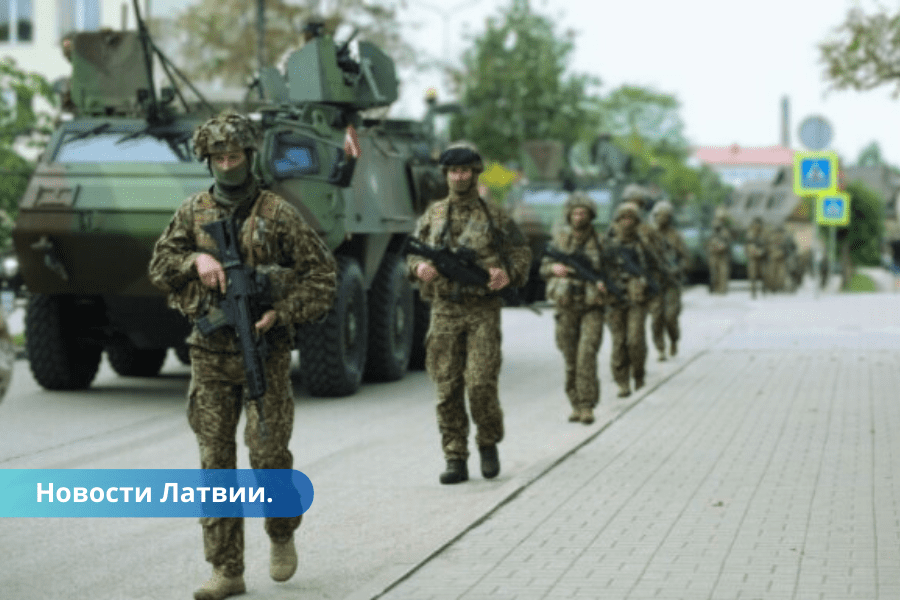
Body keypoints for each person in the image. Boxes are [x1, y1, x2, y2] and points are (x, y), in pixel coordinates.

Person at [148, 110, 336, 600]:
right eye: (219, 158)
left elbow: (322, 277)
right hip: (209, 354)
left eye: (235, 156)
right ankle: (227, 570)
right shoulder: (193, 212)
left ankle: (280, 530)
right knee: (215, 467)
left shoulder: (278, 213)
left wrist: (283, 311)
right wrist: (197, 259)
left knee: (268, 456)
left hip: (265, 353)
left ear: (250, 157)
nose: (227, 165)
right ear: (207, 160)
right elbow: (160, 265)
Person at [407, 142, 531, 485]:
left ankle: (488, 441)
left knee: (479, 384)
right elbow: (411, 254)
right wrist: (418, 269)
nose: (458, 177)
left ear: (475, 174)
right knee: (446, 388)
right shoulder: (433, 216)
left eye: (464, 171)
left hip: (482, 311)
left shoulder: (495, 217)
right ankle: (455, 456)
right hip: (444, 310)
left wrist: (507, 274)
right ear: (446, 175)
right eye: (452, 171)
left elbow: (521, 253)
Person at [540, 192, 607, 424]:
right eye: (575, 213)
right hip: (566, 306)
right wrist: (554, 269)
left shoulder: (601, 242)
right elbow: (543, 268)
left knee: (586, 355)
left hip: (592, 307)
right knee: (570, 358)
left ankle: (587, 405)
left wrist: (604, 283)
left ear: (591, 216)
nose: (579, 217)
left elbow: (613, 271)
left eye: (583, 213)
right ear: (569, 215)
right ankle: (575, 403)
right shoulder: (560, 241)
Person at [604, 202, 662, 398]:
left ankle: (638, 373)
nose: (626, 223)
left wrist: (650, 289)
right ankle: (622, 382)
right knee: (619, 342)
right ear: (617, 221)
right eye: (623, 219)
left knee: (635, 340)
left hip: (637, 300)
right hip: (613, 301)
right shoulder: (607, 245)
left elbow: (656, 268)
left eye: (630, 219)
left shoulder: (642, 245)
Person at [648, 200, 689, 361]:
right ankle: (660, 348)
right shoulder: (649, 235)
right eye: (659, 215)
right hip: (655, 283)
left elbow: (685, 258)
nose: (662, 219)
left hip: (672, 282)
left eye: (665, 216)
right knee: (656, 318)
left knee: (671, 317)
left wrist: (677, 270)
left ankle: (673, 340)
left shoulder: (675, 236)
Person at [706, 207, 732, 294]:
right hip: (713, 254)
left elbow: (727, 243)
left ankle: (722, 289)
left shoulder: (725, 231)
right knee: (714, 273)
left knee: (723, 272)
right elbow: (708, 243)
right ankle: (716, 288)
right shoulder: (712, 229)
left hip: (723, 255)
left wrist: (721, 247)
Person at [745, 217, 767, 299]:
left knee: (764, 274)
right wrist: (755, 251)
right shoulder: (750, 233)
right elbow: (749, 245)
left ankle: (764, 290)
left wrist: (762, 251)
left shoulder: (763, 234)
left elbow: (766, 245)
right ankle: (753, 292)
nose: (757, 227)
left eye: (759, 225)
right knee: (752, 275)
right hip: (753, 258)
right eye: (756, 225)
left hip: (761, 258)